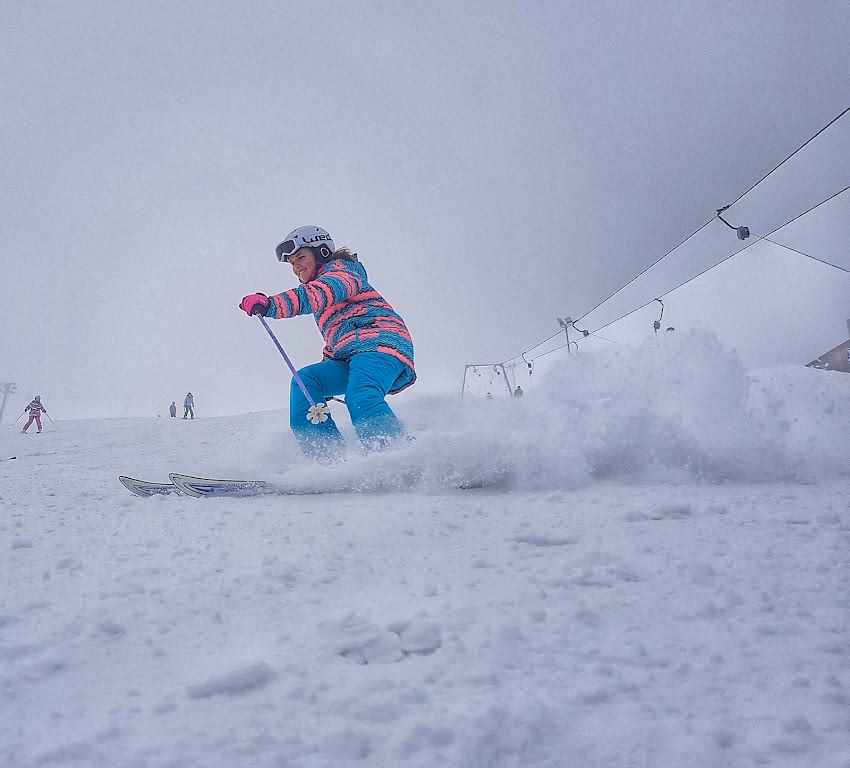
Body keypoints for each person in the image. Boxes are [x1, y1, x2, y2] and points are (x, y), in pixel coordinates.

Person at [240, 225, 415, 460]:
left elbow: (317, 294)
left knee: (361, 396)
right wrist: (326, 372)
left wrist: (271, 304)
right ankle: (328, 458)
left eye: (300, 257)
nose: (296, 266)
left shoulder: (343, 274)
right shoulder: (324, 297)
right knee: (306, 382)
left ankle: (397, 459)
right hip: (351, 356)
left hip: (381, 344)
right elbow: (338, 339)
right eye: (292, 263)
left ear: (321, 252)